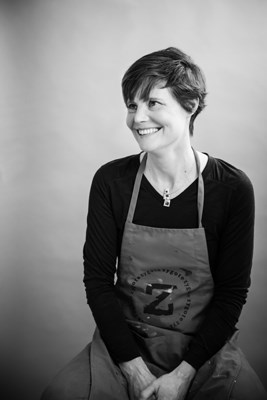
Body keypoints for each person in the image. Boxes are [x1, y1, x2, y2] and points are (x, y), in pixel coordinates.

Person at [41, 47, 267, 400]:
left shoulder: (232, 189)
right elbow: (98, 281)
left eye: (152, 103)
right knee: (62, 393)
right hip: (126, 343)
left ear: (190, 105)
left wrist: (184, 374)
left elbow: (232, 294)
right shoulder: (111, 181)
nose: (137, 118)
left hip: (202, 350)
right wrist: (132, 369)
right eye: (132, 105)